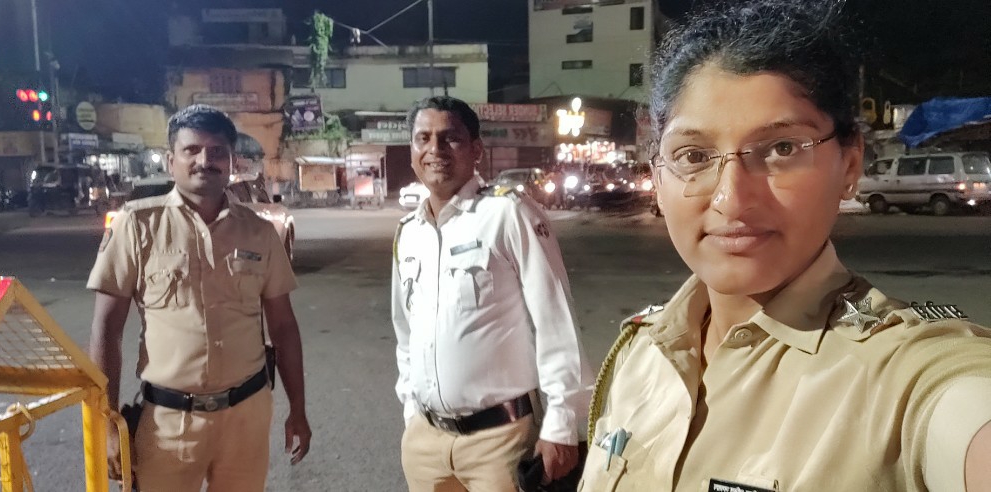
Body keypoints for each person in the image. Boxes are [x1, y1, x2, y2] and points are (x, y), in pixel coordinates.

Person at [578, 1, 991, 491]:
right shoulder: (641, 352)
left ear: (850, 165)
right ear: (658, 179)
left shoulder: (899, 374)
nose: (731, 199)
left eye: (781, 149)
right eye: (693, 155)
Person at [87, 104, 311, 492]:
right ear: (171, 161)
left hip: (247, 415)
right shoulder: (137, 225)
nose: (205, 161)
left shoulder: (259, 233)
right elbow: (106, 330)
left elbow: (284, 326)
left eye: (216, 151)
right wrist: (104, 421)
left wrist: (299, 409)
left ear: (231, 161)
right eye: (191, 150)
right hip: (168, 423)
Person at [392, 96, 593, 491]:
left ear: (476, 150)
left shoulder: (507, 213)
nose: (435, 149)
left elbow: (555, 319)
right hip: (426, 444)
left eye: (450, 138)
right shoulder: (408, 233)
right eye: (423, 138)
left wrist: (562, 423)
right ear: (412, 152)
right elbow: (405, 334)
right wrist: (411, 410)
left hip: (501, 443)